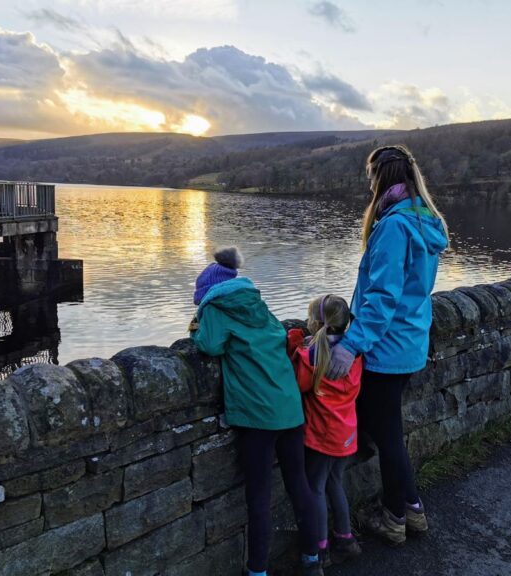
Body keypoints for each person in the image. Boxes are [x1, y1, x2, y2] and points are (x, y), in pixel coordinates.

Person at [326, 145, 449, 545]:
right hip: (409, 341)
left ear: (380, 178)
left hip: (386, 348)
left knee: (387, 437)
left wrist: (351, 345)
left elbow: (382, 295)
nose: (368, 185)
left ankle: (394, 518)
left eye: (370, 177)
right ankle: (412, 510)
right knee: (389, 433)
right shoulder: (423, 218)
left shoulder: (396, 226)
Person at [191, 247, 324, 576]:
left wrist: (197, 327)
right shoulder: (256, 303)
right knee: (299, 484)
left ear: (207, 294)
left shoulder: (216, 308)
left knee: (259, 497)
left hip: (258, 416)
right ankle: (312, 558)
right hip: (290, 408)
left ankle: (258, 571)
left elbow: (209, 345)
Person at [287, 295, 363, 567]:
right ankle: (345, 538)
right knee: (335, 482)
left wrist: (295, 347)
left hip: (321, 436)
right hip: (346, 433)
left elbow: (300, 385)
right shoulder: (352, 354)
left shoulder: (311, 356)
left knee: (315, 488)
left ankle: (319, 549)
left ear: (317, 323)